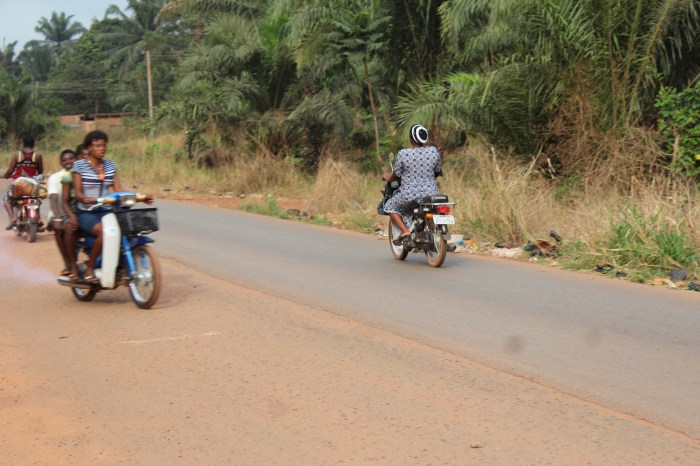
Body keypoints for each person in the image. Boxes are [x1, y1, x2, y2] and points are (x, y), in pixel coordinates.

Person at [72, 130, 122, 284]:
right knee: (104, 231)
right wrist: (85, 198)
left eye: (104, 146)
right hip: (87, 212)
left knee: (125, 229)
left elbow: (119, 190)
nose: (102, 149)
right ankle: (89, 268)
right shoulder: (79, 165)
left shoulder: (110, 165)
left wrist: (140, 196)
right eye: (98, 145)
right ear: (89, 148)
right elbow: (78, 193)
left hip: (106, 210)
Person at [381, 124, 442, 244]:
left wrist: (388, 177)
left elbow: (396, 175)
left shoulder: (404, 153)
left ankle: (405, 231)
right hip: (431, 194)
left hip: (410, 194)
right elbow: (437, 170)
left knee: (389, 206)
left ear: (411, 139)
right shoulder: (433, 151)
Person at [47, 149, 77, 277]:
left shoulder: (81, 174)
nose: (68, 162)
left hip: (76, 210)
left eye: (71, 159)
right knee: (59, 230)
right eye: (65, 160)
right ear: (60, 163)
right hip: (59, 212)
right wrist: (58, 218)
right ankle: (68, 263)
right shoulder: (56, 178)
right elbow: (54, 198)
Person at [2, 136, 44, 230]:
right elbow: (40, 172)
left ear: (23, 144)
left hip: (19, 184)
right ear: (33, 145)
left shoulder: (17, 155)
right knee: (37, 199)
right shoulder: (37, 155)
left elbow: (10, 170)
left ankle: (12, 217)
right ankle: (38, 218)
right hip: (32, 184)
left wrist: (5, 176)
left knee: (6, 200)